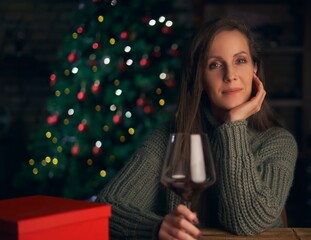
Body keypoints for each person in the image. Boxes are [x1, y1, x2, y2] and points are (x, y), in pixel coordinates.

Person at [96, 17, 298, 240]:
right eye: (215, 65)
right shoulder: (169, 137)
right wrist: (156, 227)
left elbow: (246, 223)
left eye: (240, 60)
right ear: (200, 77)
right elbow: (107, 207)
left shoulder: (278, 142)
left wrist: (233, 125)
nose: (230, 75)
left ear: (254, 69)